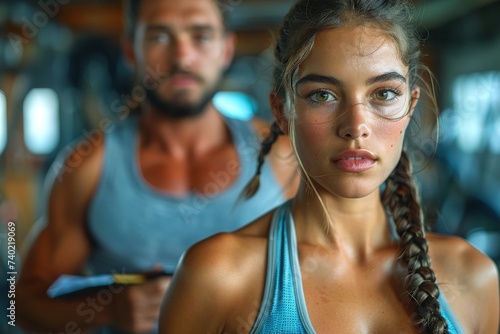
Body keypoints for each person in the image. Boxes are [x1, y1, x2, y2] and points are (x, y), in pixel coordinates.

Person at [158, 0, 500, 333]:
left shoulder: (473, 276)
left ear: (410, 106)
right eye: (323, 95)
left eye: (383, 94)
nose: (355, 125)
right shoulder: (217, 276)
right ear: (282, 111)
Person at [16, 0, 298, 333]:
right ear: (131, 51)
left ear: (226, 49)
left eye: (201, 36)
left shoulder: (282, 153)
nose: (181, 58)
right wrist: (108, 310)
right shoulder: (86, 167)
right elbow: (22, 305)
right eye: (159, 37)